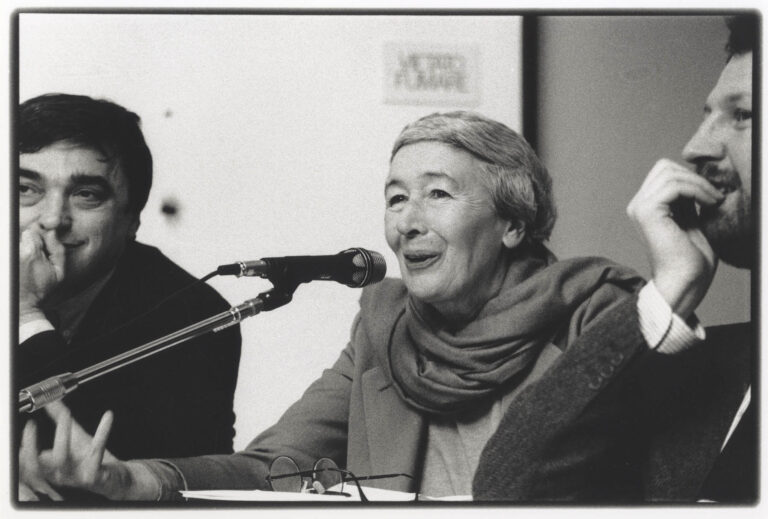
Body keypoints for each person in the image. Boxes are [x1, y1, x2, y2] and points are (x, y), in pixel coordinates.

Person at [19, 110, 646, 501]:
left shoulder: (596, 315)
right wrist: (137, 480)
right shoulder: (385, 328)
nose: (409, 223)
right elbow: (272, 468)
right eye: (396, 199)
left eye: (437, 194)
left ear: (513, 225)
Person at [473, 14, 755, 503]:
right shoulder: (715, 374)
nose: (695, 146)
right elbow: (510, 493)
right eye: (708, 114)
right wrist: (671, 292)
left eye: (743, 115)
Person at [17, 94, 242, 500]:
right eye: (25, 188)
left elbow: (100, 471)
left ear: (131, 220)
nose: (52, 218)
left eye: (86, 194)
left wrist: (25, 315)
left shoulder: (195, 317)